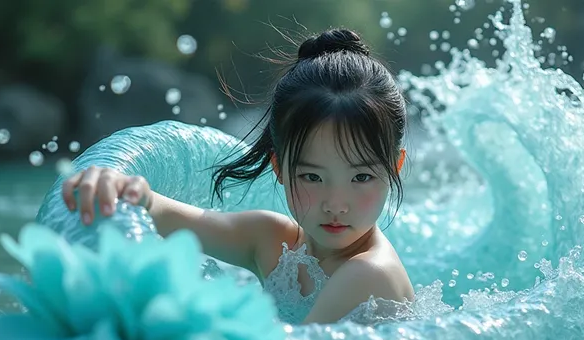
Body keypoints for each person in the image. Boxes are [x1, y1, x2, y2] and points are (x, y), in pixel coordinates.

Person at [61, 28, 414, 325]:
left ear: (394, 167)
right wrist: (119, 186)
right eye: (312, 177)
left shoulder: (368, 274)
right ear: (278, 167)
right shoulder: (272, 240)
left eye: (361, 177)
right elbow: (165, 215)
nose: (336, 204)